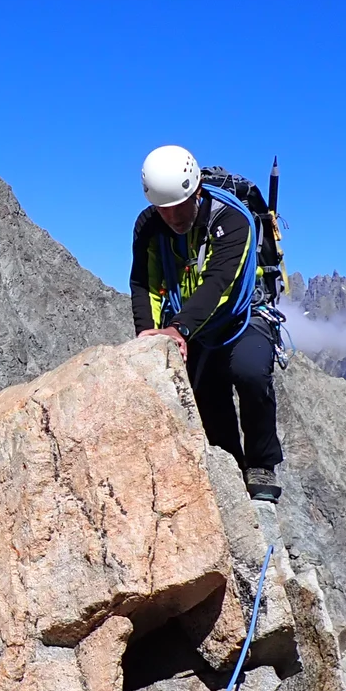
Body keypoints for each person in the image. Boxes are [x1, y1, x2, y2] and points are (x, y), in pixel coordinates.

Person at [129, 145, 283, 499]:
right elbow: (145, 283)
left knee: (250, 372)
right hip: (191, 323)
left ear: (197, 191)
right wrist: (147, 335)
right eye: (163, 209)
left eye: (179, 206)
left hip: (244, 315)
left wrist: (178, 329)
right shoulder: (149, 226)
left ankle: (261, 463)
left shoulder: (232, 220)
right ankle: (229, 467)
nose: (172, 217)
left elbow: (219, 283)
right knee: (205, 391)